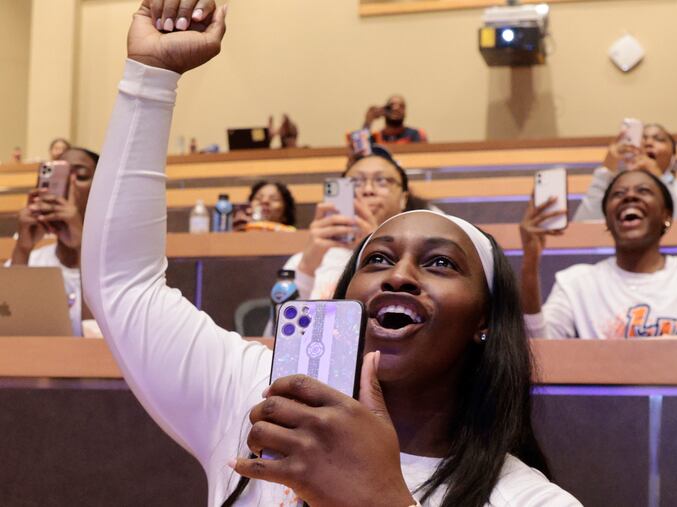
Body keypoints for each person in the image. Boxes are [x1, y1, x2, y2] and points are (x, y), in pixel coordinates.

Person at [81, 3, 580, 505]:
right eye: (377, 260)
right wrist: (150, 77)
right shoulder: (262, 397)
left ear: (485, 319)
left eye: (440, 263)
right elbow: (124, 284)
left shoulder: (531, 499)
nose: (400, 275)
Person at [521, 169, 677, 339]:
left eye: (643, 191)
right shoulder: (575, 284)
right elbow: (539, 350)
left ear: (667, 215)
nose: (630, 197)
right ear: (607, 220)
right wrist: (530, 264)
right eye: (618, 193)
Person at [284, 144, 429, 300]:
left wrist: (375, 248)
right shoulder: (303, 261)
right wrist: (307, 267)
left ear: (403, 198)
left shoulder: (417, 261)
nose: (367, 189)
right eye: (356, 182)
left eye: (381, 181)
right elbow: (278, 324)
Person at [6, 147, 99, 336]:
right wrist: (23, 250)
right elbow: (8, 331)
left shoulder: (114, 268)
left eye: (80, 176)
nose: (67, 187)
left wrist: (83, 246)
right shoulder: (34, 259)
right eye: (61, 177)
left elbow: (96, 339)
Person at [573, 123, 677, 221]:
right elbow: (583, 227)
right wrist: (608, 167)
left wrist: (658, 178)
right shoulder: (618, 194)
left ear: (674, 157)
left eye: (659, 139)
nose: (648, 143)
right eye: (643, 138)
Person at [232, 180, 296, 231]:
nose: (264, 201)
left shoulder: (293, 237)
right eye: (258, 198)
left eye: (274, 199)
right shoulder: (237, 232)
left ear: (285, 215)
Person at [364, 95, 428, 144]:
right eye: (391, 105)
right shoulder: (376, 137)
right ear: (384, 109)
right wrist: (368, 121)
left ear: (405, 112)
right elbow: (361, 150)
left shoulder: (417, 134)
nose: (396, 108)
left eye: (401, 106)